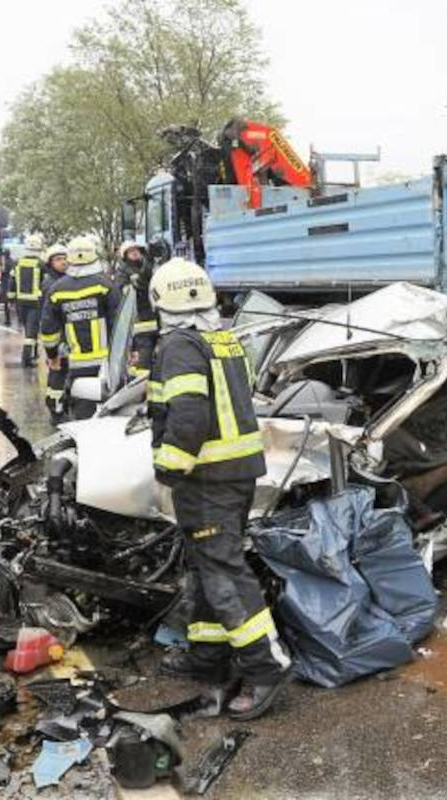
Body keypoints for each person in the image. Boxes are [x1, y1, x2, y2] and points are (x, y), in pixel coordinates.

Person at [148, 257, 292, 720]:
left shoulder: (178, 346)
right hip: (234, 474)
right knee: (209, 569)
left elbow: (188, 416)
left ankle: (266, 668)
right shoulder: (223, 339)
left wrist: (169, 468)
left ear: (159, 301)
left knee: (226, 576)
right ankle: (207, 657)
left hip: (207, 478)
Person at [39, 236, 122, 421]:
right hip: (107, 362)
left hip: (76, 364)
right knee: (112, 413)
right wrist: (130, 349)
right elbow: (119, 321)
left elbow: (48, 329)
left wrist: (52, 356)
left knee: (83, 413)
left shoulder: (57, 289)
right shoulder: (105, 285)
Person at [114, 241, 158, 379]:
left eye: (136, 249)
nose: (134, 252)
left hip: (156, 319)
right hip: (139, 323)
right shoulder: (123, 272)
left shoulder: (151, 267)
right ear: (125, 256)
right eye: (130, 251)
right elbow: (136, 286)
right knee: (143, 357)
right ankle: (139, 386)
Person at [38, 243, 70, 423]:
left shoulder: (63, 280)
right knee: (57, 369)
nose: (63, 262)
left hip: (65, 333)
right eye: (58, 259)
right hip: (57, 335)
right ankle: (55, 410)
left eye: (65, 258)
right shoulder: (50, 284)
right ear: (50, 263)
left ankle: (59, 406)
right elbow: (48, 316)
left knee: (62, 369)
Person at [12, 233, 46, 365]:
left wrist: (11, 299)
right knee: (32, 332)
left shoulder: (18, 263)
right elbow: (46, 284)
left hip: (20, 302)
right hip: (35, 302)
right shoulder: (41, 264)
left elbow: (12, 281)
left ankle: (33, 354)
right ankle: (26, 358)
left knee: (28, 329)